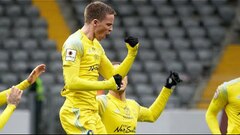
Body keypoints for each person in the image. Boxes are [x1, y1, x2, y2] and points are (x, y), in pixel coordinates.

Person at [59, 1, 140, 134]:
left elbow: (114, 76)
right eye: (108, 24)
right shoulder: (74, 43)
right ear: (95, 22)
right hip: (76, 111)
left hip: (92, 113)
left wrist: (131, 54)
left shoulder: (96, 46)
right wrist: (106, 84)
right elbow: (71, 82)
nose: (111, 29)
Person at [97, 62, 182, 134]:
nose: (120, 78)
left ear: (127, 79)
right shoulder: (101, 102)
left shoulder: (133, 105)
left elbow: (152, 115)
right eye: (114, 75)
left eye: (123, 74)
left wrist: (168, 88)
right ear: (106, 81)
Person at [0, 64, 46, 129]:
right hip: (37, 100)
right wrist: (11, 106)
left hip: (37, 100)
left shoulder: (37, 81)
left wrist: (26, 83)